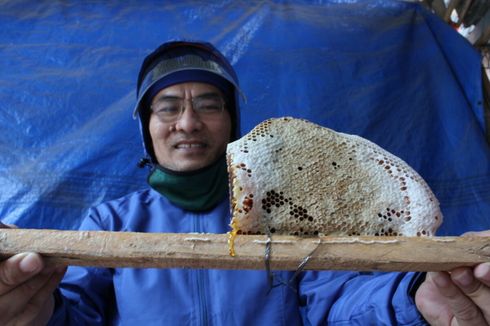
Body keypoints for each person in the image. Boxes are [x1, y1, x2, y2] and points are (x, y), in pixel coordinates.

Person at [0, 40, 489, 325]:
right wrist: (33, 309)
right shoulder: (109, 223)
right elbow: (76, 314)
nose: (188, 123)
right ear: (147, 128)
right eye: (168, 107)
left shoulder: (289, 213)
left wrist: (414, 299)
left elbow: (337, 301)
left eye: (209, 105)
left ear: (233, 123)